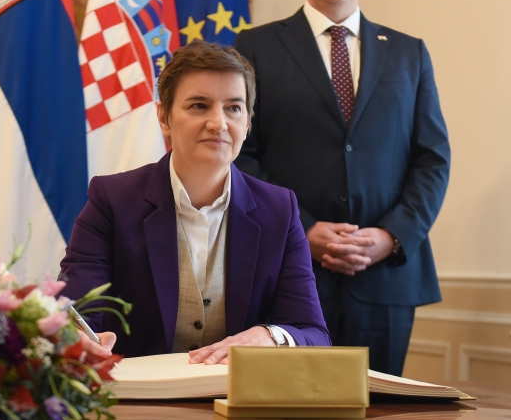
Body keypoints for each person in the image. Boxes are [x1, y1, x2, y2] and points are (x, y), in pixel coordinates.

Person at [233, 0, 450, 376]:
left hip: (386, 278)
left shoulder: (409, 53)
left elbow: (432, 159)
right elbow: (241, 156)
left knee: (381, 409)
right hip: (291, 271)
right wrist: (301, 229)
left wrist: (391, 236)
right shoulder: (255, 48)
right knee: (289, 410)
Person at [60, 41, 330, 364]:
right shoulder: (112, 200)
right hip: (140, 392)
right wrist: (77, 336)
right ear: (164, 117)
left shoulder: (280, 210)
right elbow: (76, 314)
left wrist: (270, 336)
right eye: (199, 106)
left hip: (235, 393)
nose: (218, 123)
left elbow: (313, 333)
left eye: (234, 108)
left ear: (248, 123)